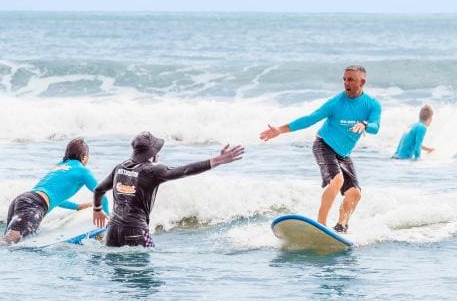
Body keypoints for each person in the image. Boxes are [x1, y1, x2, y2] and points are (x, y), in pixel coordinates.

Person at [259, 65, 381, 233]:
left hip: (344, 154)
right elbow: (310, 119)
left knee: (355, 194)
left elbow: (375, 127)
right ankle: (320, 225)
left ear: (362, 82)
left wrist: (364, 124)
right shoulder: (336, 102)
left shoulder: (372, 105)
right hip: (324, 145)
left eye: (351, 79)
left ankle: (341, 227)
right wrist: (280, 129)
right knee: (337, 181)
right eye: (344, 79)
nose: (346, 82)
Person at [92, 132, 244, 247]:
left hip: (112, 232)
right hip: (136, 231)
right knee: (145, 284)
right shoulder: (152, 171)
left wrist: (97, 209)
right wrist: (217, 160)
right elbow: (184, 171)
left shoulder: (120, 167)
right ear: (152, 153)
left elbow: (99, 190)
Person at [1, 137, 110, 245]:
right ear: (84, 156)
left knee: (14, 243)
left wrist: (77, 206)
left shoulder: (60, 166)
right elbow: (101, 193)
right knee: (10, 241)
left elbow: (53, 197)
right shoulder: (82, 170)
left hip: (23, 199)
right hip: (34, 204)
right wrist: (108, 217)